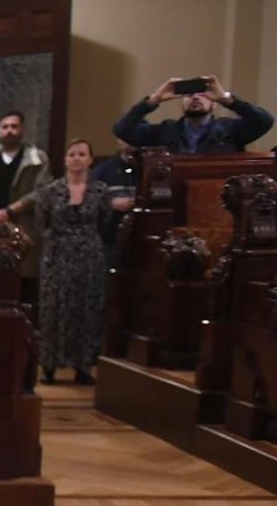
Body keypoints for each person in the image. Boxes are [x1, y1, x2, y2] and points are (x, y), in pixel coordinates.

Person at [30, 138, 132, 386]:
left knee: (86, 310)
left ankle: (83, 366)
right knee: (54, 310)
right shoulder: (49, 191)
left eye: (82, 154)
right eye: (72, 153)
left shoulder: (100, 191)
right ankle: (50, 366)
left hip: (89, 255)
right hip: (57, 255)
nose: (76, 158)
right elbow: (41, 224)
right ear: (65, 159)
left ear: (90, 160)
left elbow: (105, 221)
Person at [0, 111, 53, 304]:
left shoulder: (36, 158)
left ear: (22, 129)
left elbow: (42, 191)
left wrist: (10, 211)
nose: (9, 131)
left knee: (22, 282)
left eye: (14, 127)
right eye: (5, 127)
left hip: (23, 227)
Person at [114, 76, 273, 155]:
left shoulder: (230, 129)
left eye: (202, 94)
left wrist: (228, 100)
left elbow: (264, 121)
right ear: (181, 102)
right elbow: (122, 130)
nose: (195, 97)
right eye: (188, 94)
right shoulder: (165, 131)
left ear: (214, 103)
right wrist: (154, 99)